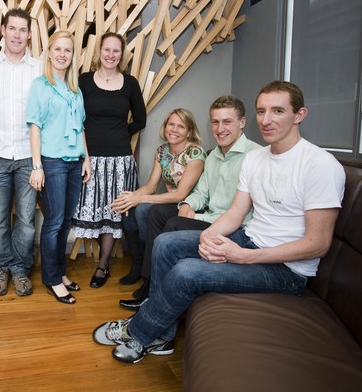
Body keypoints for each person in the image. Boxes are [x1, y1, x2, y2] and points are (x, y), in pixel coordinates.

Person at [93, 81, 345, 363]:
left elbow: (318, 244)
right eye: (262, 111)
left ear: (299, 115)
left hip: (284, 269)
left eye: (277, 111)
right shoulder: (257, 159)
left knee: (187, 272)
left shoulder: (320, 165)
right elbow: (236, 214)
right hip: (248, 239)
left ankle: (139, 332)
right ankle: (161, 337)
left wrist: (245, 256)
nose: (267, 119)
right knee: (166, 243)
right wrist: (208, 236)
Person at [120, 95, 261, 309]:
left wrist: (190, 208)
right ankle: (149, 281)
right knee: (155, 213)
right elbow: (200, 193)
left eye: (227, 122)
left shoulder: (255, 156)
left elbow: (239, 213)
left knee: (173, 224)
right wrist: (188, 205)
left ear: (242, 123)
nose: (220, 128)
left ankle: (156, 295)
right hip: (209, 216)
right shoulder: (213, 155)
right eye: (215, 122)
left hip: (231, 225)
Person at [71, 32, 147, 288]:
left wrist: (119, 133)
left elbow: (141, 120)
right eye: (107, 50)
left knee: (113, 215)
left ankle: (102, 266)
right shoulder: (84, 81)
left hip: (119, 161)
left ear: (121, 55)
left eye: (116, 51)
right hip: (89, 159)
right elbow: (75, 117)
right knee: (92, 213)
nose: (111, 55)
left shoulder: (130, 83)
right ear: (99, 52)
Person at [0, 8, 43, 297]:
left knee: (27, 220)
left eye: (22, 30)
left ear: (29, 34)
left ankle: (20, 269)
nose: (17, 35)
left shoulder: (39, 68)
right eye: (12, 28)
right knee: (0, 218)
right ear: (3, 30)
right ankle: (1, 267)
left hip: (29, 155)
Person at [27, 30, 91, 304]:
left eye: (68, 50)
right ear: (49, 53)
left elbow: (82, 128)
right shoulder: (41, 85)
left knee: (66, 220)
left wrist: (86, 158)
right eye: (58, 49)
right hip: (52, 162)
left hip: (75, 162)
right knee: (53, 222)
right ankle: (52, 278)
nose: (63, 54)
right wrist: (37, 165)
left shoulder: (75, 89)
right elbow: (34, 127)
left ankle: (61, 272)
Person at [111, 108, 206, 285]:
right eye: (171, 124)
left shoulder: (195, 153)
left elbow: (180, 195)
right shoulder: (161, 151)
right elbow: (150, 186)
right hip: (168, 202)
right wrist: (129, 198)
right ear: (165, 126)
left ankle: (150, 264)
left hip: (188, 205)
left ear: (189, 132)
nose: (174, 130)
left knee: (144, 209)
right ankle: (139, 263)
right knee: (128, 210)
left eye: (181, 126)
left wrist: (140, 199)